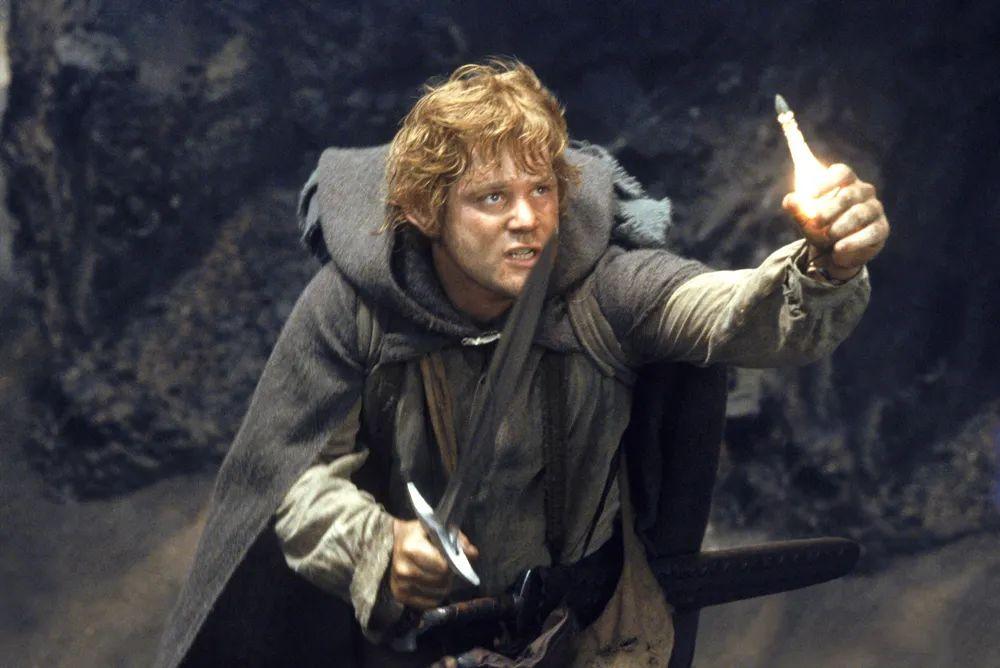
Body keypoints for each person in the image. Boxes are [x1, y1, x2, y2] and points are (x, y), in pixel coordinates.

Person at [157, 59, 888, 667]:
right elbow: (299, 482)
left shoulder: (604, 287)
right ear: (427, 210)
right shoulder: (357, 311)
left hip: (590, 638)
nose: (528, 218)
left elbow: (730, 314)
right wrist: (380, 547)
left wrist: (824, 266)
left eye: (542, 189)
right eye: (492, 197)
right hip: (429, 646)